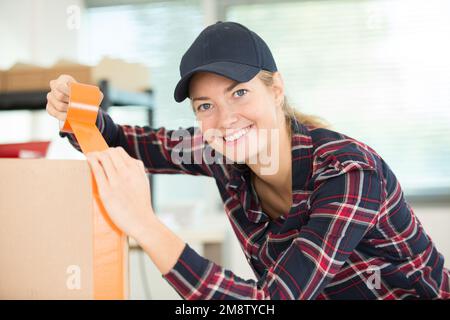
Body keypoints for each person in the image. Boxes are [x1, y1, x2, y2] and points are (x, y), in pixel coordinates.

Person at [46, 21, 449, 300]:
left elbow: (270, 299)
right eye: (205, 105)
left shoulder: (348, 174)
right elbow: (120, 139)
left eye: (239, 93)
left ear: (276, 89)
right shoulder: (218, 151)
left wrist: (146, 226)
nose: (224, 120)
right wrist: (76, 112)